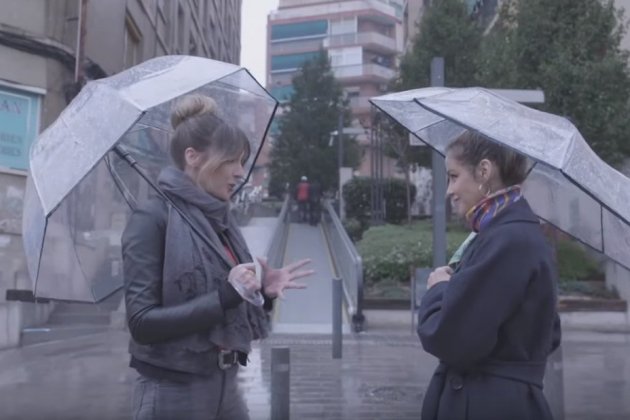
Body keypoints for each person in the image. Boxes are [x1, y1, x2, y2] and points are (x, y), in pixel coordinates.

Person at [122, 94, 314, 420]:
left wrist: (261, 293)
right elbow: (142, 323)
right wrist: (226, 296)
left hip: (225, 383)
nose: (240, 172)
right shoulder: (152, 218)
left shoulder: (220, 222)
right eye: (230, 161)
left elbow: (228, 303)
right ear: (193, 157)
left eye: (242, 161)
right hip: (173, 391)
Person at [417, 130, 561, 420]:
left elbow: (451, 338)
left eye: (454, 176)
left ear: (484, 170)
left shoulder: (507, 240)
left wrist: (439, 289)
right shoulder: (507, 234)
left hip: (486, 405)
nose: (448, 190)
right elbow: (549, 334)